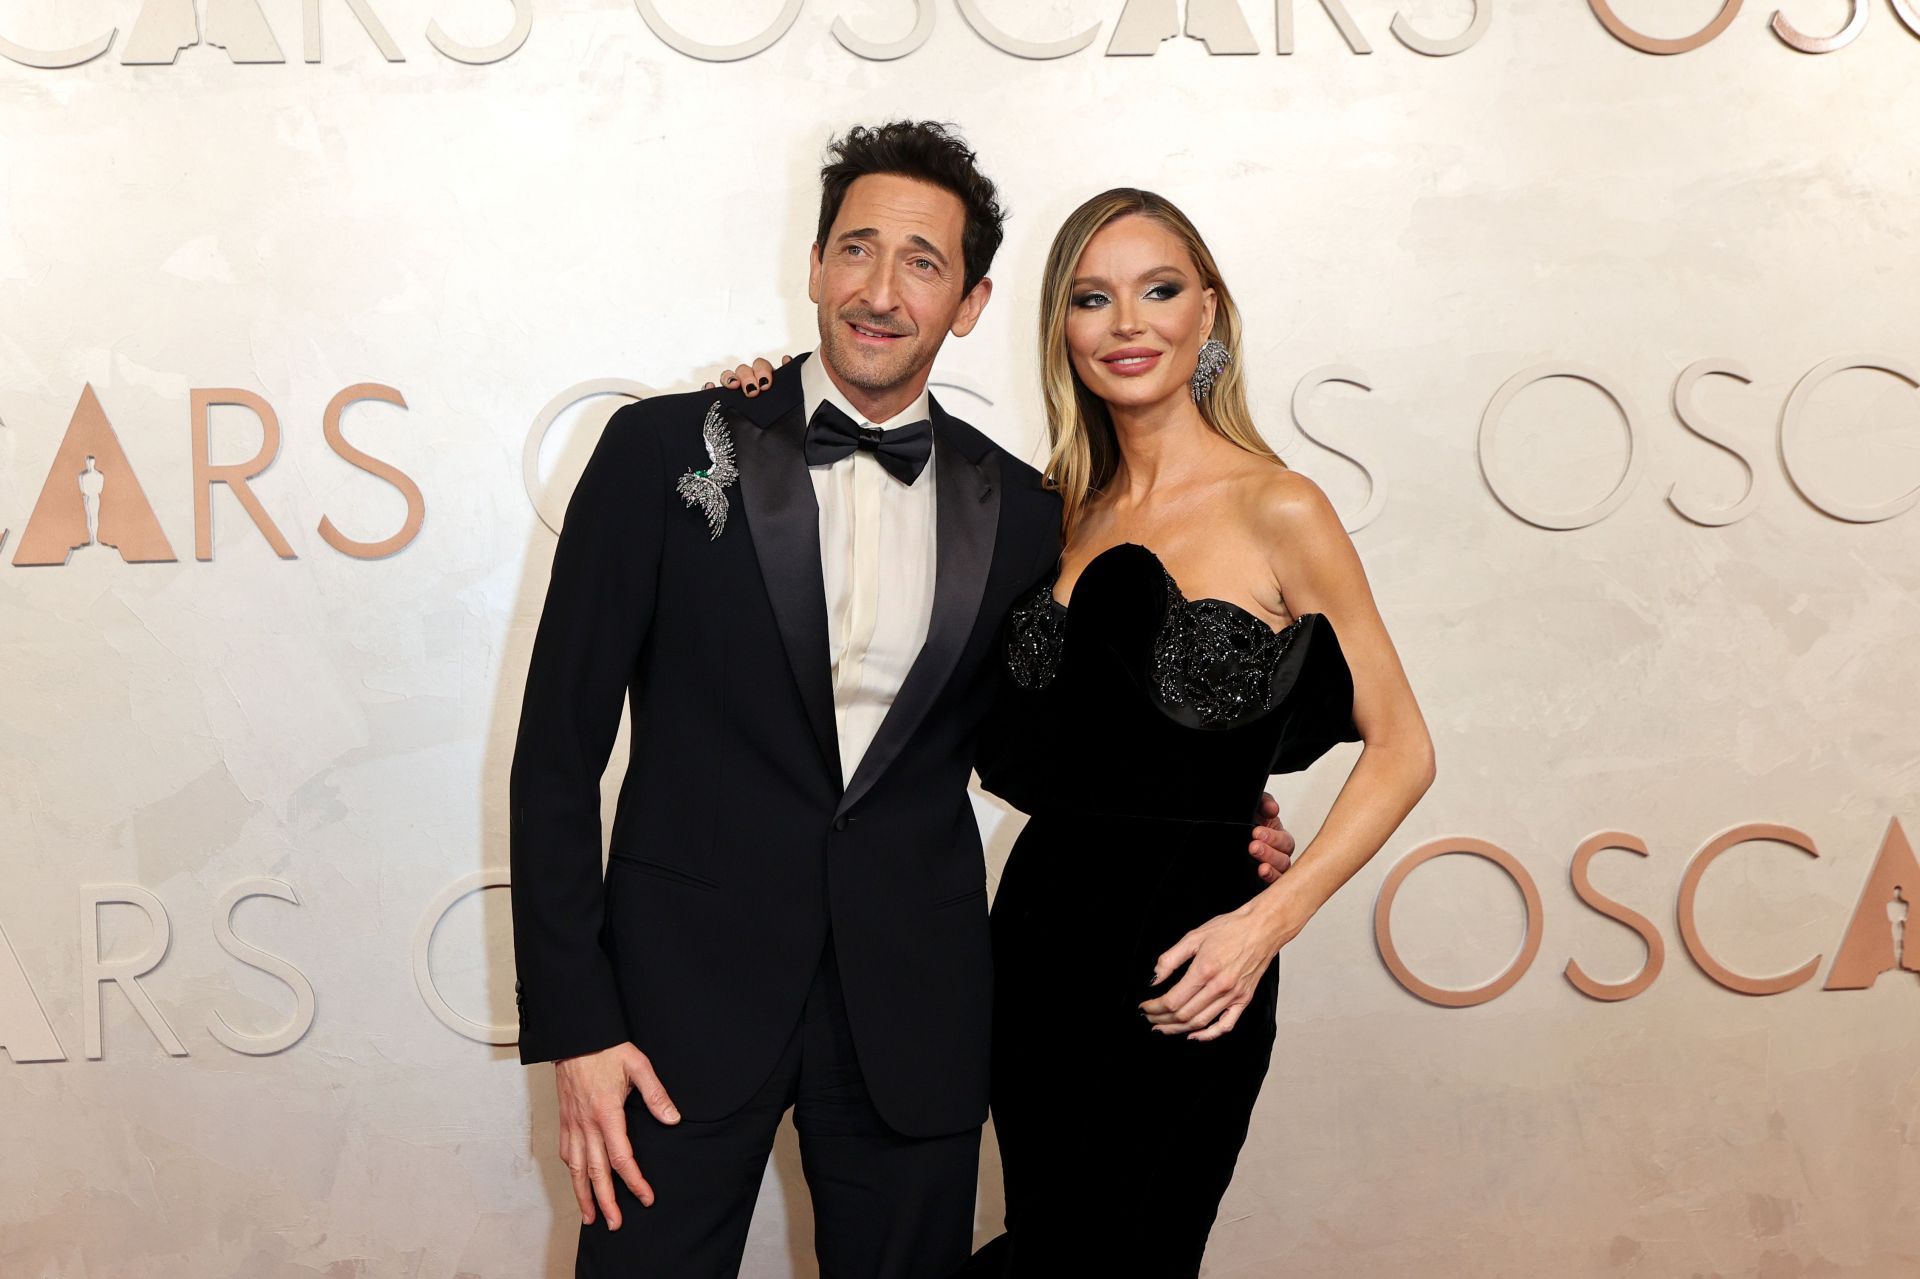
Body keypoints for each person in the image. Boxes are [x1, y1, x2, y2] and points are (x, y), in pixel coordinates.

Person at [509, 124, 1296, 1279]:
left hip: (917, 1014)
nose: (881, 291)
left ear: (971, 301)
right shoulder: (661, 450)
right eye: (857, 251)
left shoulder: (1032, 512)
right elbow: (554, 755)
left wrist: (1219, 817)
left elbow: (1053, 742)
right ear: (817, 264)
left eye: (921, 262)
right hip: (676, 1016)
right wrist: (581, 1026)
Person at [717, 188, 1435, 1277]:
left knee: (1121, 1251)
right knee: (1056, 1229)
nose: (1128, 323)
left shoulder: (1280, 505)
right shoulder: (1054, 511)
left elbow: (1404, 747)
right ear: (1062, 327)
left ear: (1210, 315)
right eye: (1093, 298)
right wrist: (753, 402)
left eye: (1159, 291)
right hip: (1039, 948)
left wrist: (1266, 921)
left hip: (1194, 959)